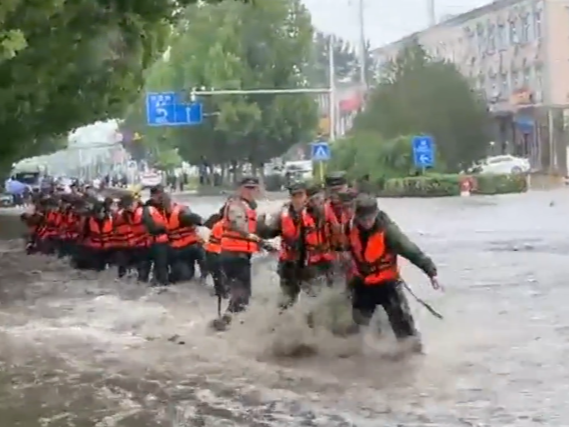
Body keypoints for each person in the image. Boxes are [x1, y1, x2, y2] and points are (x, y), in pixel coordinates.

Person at [344, 194, 441, 352]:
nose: (367, 222)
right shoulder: (349, 227)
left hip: (387, 284)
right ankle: (359, 358)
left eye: (370, 218)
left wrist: (431, 271)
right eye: (363, 219)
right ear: (357, 216)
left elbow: (411, 251)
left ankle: (414, 358)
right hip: (364, 284)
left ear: (376, 214)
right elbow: (347, 248)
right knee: (358, 325)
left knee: (404, 328)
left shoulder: (389, 232)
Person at [214, 176, 268, 329]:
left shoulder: (249, 206)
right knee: (242, 294)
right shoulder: (236, 205)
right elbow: (239, 227)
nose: (251, 191)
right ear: (240, 189)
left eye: (254, 188)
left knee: (242, 294)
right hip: (233, 255)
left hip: (239, 254)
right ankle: (226, 322)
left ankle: (229, 322)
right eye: (247, 188)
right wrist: (259, 240)